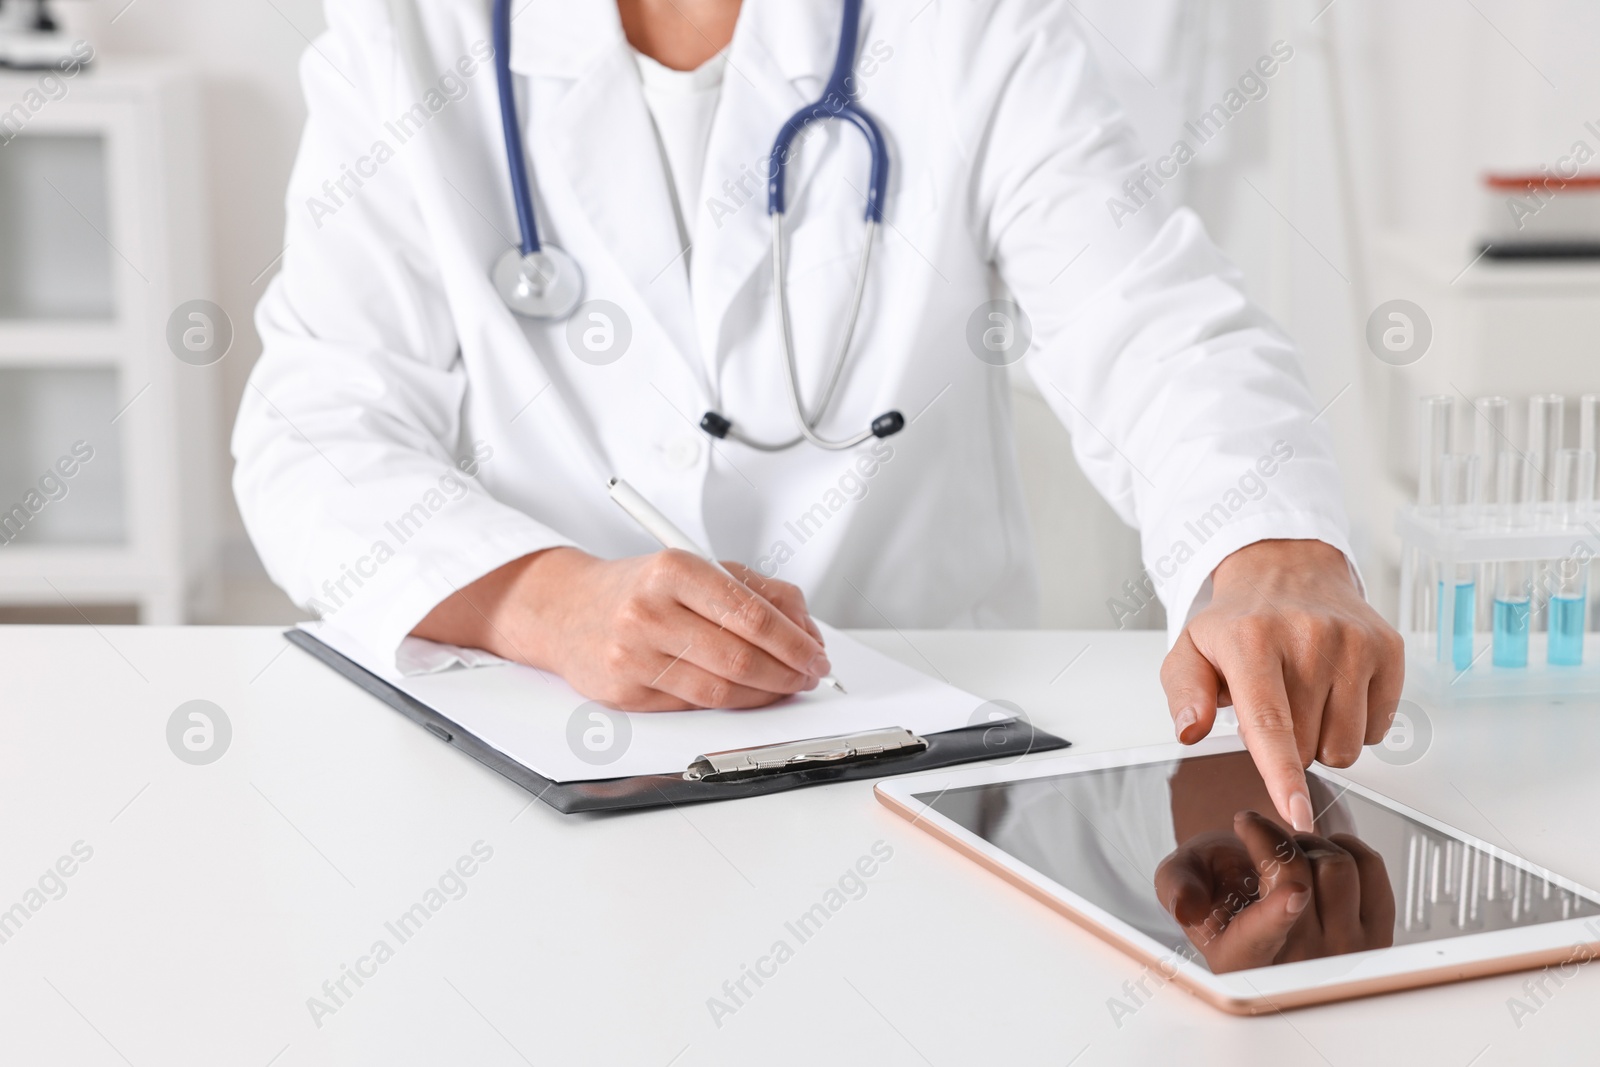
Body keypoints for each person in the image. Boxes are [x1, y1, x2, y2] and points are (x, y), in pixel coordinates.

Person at [232, 0, 1403, 833]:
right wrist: (545, 600)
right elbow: (311, 430)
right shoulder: (406, 34)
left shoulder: (966, 24)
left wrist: (1268, 545)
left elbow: (1143, 313)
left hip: (922, 776)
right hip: (540, 770)